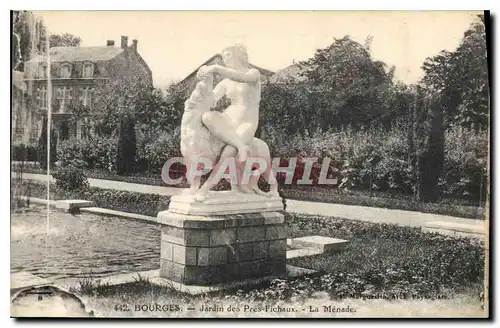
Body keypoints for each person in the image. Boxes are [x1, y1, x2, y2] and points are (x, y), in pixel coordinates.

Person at [188, 44, 262, 194]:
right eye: (223, 56)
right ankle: (241, 147)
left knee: (228, 151)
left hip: (247, 122)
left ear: (238, 55)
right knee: (208, 116)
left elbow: (240, 77)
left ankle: (206, 188)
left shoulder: (253, 73)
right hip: (228, 120)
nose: (224, 59)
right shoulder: (225, 82)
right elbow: (210, 99)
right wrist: (205, 80)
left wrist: (215, 68)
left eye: (227, 55)